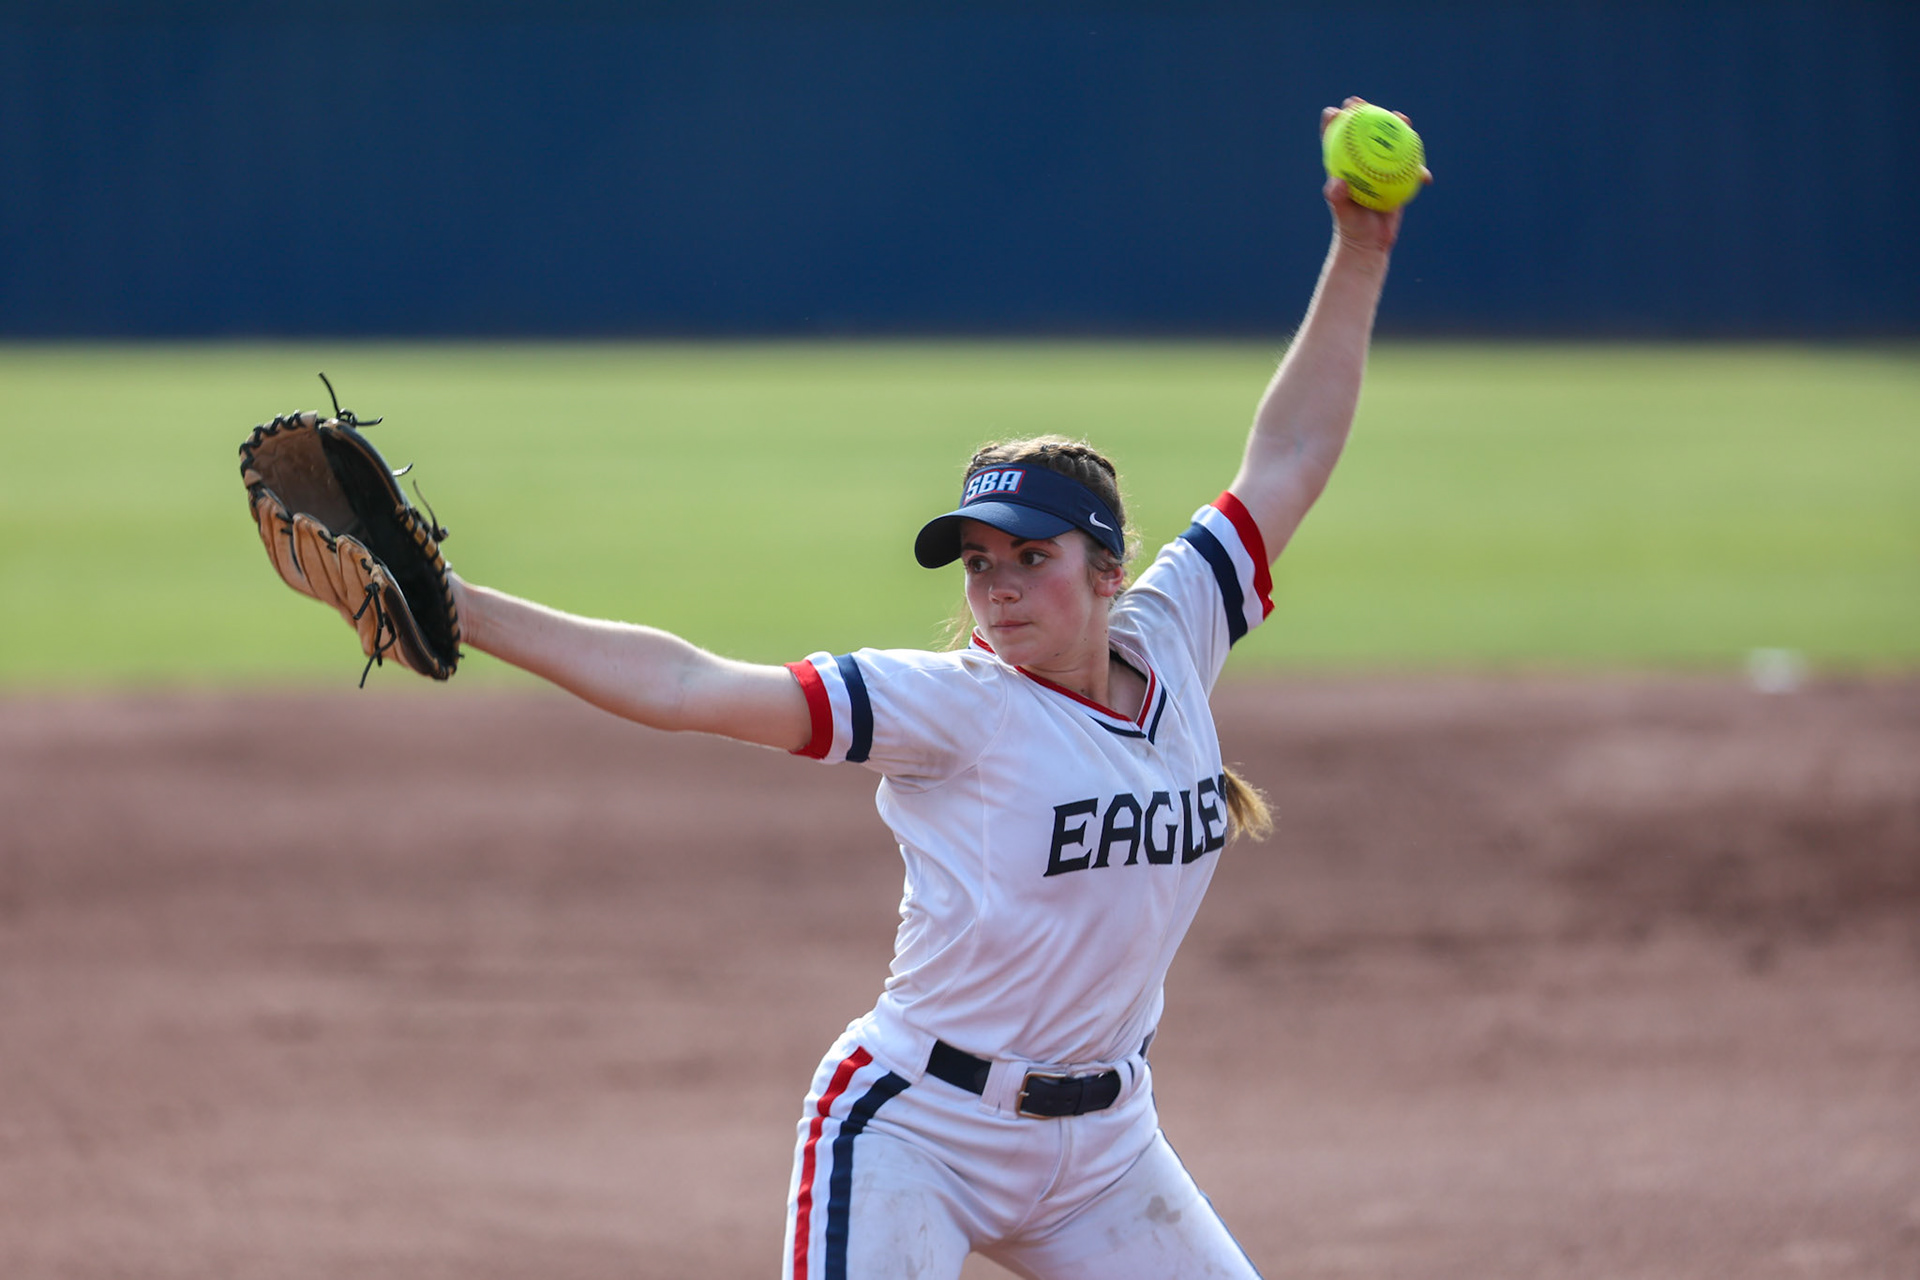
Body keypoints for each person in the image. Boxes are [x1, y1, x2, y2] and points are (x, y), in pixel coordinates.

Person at [449, 100, 1421, 1280]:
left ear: (1109, 569)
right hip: (916, 1130)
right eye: (978, 562)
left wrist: (1362, 251)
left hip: (1110, 1150)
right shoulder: (954, 705)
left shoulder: (1175, 632)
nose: (998, 587)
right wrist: (461, 607)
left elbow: (1288, 458)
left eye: (1030, 556)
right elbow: (689, 683)